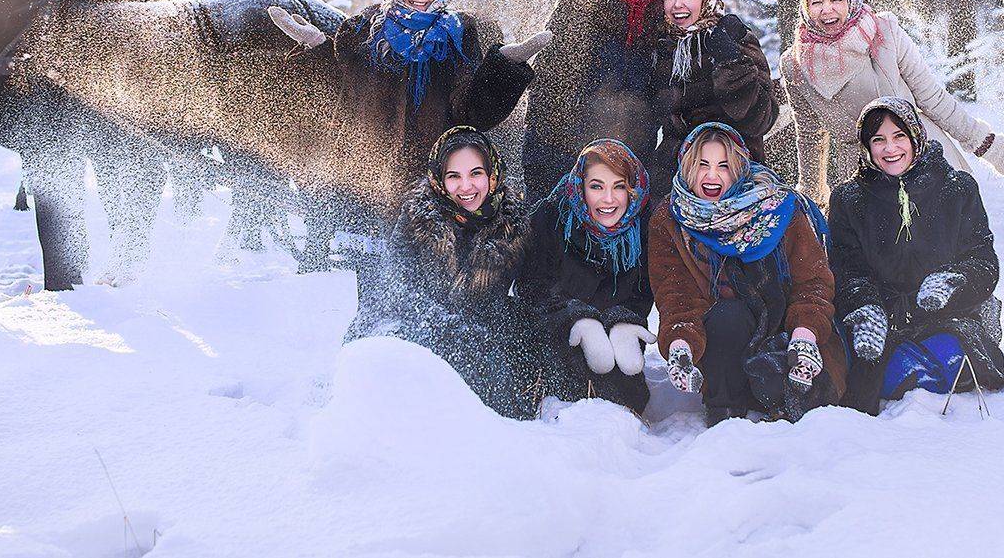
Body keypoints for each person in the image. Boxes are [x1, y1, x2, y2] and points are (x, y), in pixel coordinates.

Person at [267, 0, 550, 249]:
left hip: (431, 184)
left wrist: (504, 65)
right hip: (369, 180)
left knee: (420, 268)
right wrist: (317, 46)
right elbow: (342, 91)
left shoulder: (456, 34)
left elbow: (470, 111)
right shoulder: (363, 31)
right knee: (367, 269)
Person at [781, 0, 1004, 207]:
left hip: (925, 162)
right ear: (805, 7)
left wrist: (985, 143)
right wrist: (811, 199)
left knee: (950, 229)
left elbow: (932, 98)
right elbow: (810, 137)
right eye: (816, 2)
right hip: (864, 182)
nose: (827, 9)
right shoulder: (795, 65)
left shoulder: (884, 33)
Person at [649, 123, 847, 423]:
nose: (712, 176)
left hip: (785, 330)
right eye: (702, 165)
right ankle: (726, 413)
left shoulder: (779, 207)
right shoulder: (671, 217)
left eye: (724, 166)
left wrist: (804, 335)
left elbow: (812, 283)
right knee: (728, 315)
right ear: (687, 167)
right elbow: (676, 296)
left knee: (784, 386)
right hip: (724, 348)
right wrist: (681, 346)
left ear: (740, 168)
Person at [828, 97, 1004, 415]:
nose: (890, 148)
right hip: (886, 320)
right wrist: (866, 308)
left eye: (899, 136)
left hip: (946, 315)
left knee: (953, 357)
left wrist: (954, 282)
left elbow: (983, 261)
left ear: (916, 136)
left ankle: (980, 325)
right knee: (881, 373)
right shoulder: (848, 199)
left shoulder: (957, 188)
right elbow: (848, 270)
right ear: (866, 145)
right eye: (878, 140)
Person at [352, 126, 550, 419]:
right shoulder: (418, 215)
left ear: (492, 174)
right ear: (440, 180)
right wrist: (454, 332)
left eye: (476, 174)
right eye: (454, 176)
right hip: (412, 322)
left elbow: (535, 291)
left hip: (479, 328)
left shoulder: (514, 223)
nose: (466, 187)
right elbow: (397, 289)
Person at [522, 0, 688, 203]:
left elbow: (654, 99)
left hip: (624, 158)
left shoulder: (664, 20)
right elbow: (552, 76)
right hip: (560, 148)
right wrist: (552, 155)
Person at [518, 139, 656, 413]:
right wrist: (575, 317)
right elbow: (531, 288)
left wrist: (624, 322)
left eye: (619, 187)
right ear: (581, 188)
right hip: (557, 334)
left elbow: (642, 293)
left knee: (625, 394)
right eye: (596, 187)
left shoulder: (643, 227)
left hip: (614, 338)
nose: (608, 199)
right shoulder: (552, 217)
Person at [649, 0, 777, 188]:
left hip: (734, 169)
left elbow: (762, 119)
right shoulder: (664, 47)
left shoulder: (733, 37)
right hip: (678, 173)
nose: (678, 4)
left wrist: (731, 62)